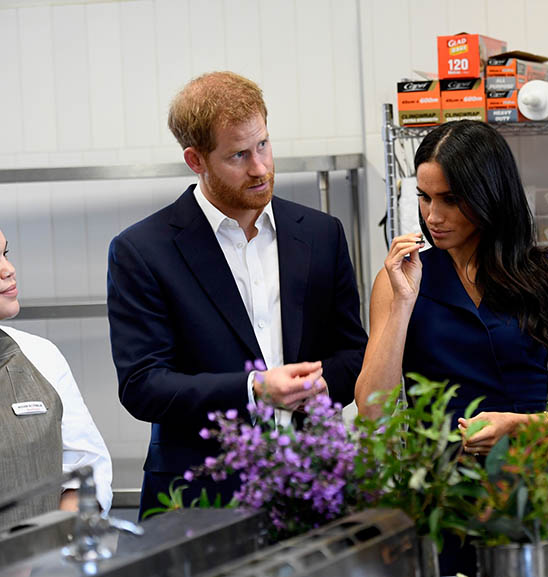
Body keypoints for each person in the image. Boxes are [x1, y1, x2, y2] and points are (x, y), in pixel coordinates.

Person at [354, 119, 548, 576]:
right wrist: (403, 304)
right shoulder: (399, 282)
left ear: (491, 194)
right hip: (440, 501)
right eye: (424, 197)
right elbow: (373, 410)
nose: (433, 216)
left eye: (451, 199)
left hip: (533, 494)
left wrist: (522, 426)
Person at [107, 71, 367, 519]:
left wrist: (322, 385)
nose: (260, 167)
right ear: (196, 160)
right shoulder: (142, 251)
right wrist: (254, 389)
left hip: (315, 486)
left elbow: (353, 352)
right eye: (239, 155)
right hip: (198, 499)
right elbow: (143, 386)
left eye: (263, 144)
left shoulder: (322, 234)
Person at [0, 228, 112, 529]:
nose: (8, 270)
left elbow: (88, 466)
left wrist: (44, 548)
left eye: (5, 254)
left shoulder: (40, 355)